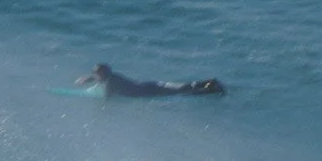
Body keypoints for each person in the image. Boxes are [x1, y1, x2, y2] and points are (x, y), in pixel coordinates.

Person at [76, 62, 225, 97]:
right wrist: (87, 79)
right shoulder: (111, 77)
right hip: (150, 85)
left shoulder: (111, 82)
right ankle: (209, 83)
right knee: (183, 88)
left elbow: (107, 99)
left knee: (183, 92)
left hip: (150, 91)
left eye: (97, 73)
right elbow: (98, 78)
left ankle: (212, 88)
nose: (96, 75)